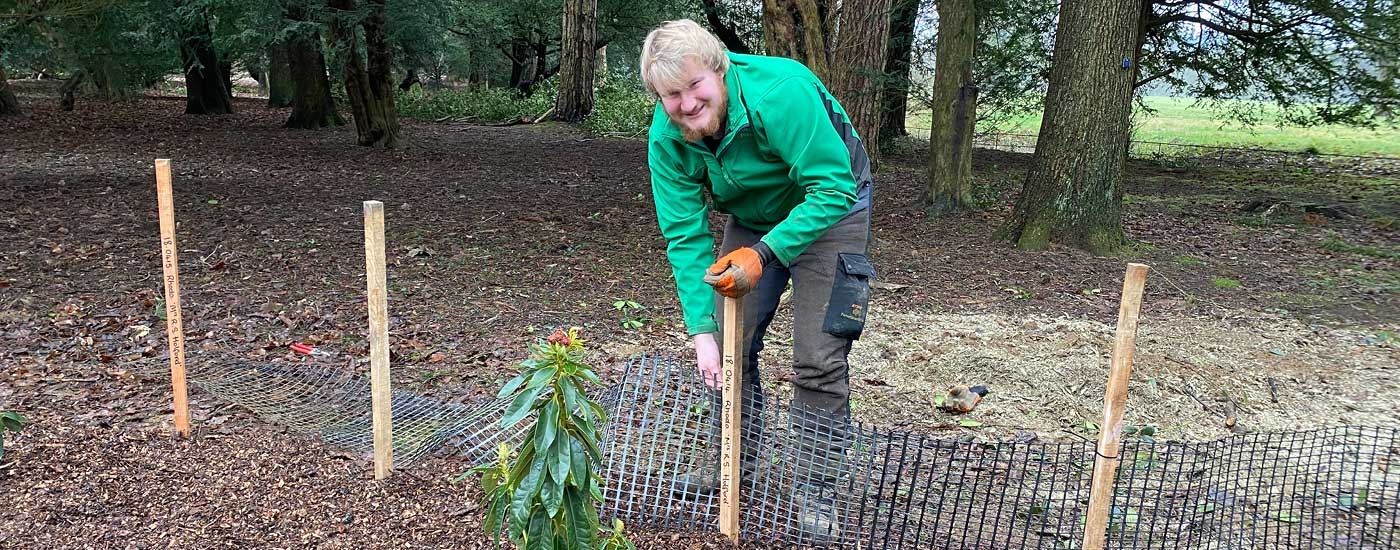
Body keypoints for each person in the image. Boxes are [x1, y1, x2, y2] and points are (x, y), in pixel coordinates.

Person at [640, 19, 875, 540]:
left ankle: (817, 490)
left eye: (695, 85)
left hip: (832, 206)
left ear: (719, 70)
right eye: (670, 96)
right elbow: (684, 235)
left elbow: (831, 187)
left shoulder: (781, 91)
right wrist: (702, 331)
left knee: (817, 356)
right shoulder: (667, 136)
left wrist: (764, 255)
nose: (686, 104)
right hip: (752, 215)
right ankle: (730, 465)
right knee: (729, 347)